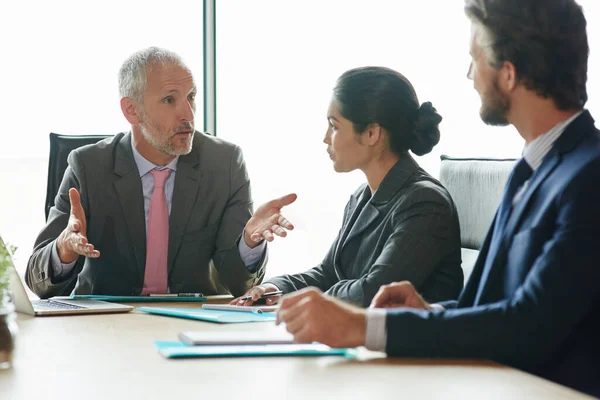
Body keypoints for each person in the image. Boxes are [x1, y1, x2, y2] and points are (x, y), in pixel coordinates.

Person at [276, 0, 600, 396]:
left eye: (475, 59)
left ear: (509, 74)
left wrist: (363, 326)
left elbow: (531, 324)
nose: (469, 74)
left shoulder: (590, 176)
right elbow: (482, 305)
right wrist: (430, 313)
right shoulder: (529, 170)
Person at [26, 47, 296, 298]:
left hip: (193, 321)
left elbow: (239, 285)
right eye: (169, 100)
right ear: (132, 110)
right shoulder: (87, 166)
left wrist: (249, 241)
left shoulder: (224, 163)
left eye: (191, 97)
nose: (188, 114)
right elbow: (37, 283)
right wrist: (64, 249)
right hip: (108, 322)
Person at [233, 66, 463, 308]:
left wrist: (306, 298)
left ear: (372, 133)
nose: (325, 137)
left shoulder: (425, 202)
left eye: (334, 126)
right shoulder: (362, 196)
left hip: (407, 344)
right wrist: (275, 288)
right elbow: (327, 274)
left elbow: (373, 292)